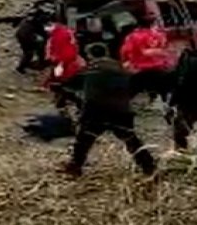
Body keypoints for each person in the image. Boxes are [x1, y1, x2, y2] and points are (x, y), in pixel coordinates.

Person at [59, 43, 157, 178]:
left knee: (84, 140)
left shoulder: (90, 68)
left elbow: (70, 85)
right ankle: (149, 166)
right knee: (131, 140)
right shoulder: (121, 68)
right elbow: (134, 86)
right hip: (121, 110)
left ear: (90, 55)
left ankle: (75, 167)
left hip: (96, 109)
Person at [120, 16, 176, 103]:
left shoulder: (132, 37)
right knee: (164, 99)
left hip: (140, 73)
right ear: (152, 24)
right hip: (160, 72)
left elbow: (125, 53)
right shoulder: (160, 35)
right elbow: (168, 52)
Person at [45, 17, 85, 109]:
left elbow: (51, 51)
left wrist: (54, 59)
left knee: (61, 83)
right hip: (71, 64)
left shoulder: (56, 37)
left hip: (65, 66)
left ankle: (60, 101)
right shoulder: (67, 33)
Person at [14, 4, 50, 74]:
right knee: (30, 52)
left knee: (35, 49)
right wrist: (47, 36)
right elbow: (41, 30)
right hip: (26, 36)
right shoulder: (36, 20)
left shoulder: (30, 18)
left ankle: (39, 62)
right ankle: (21, 67)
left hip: (22, 34)